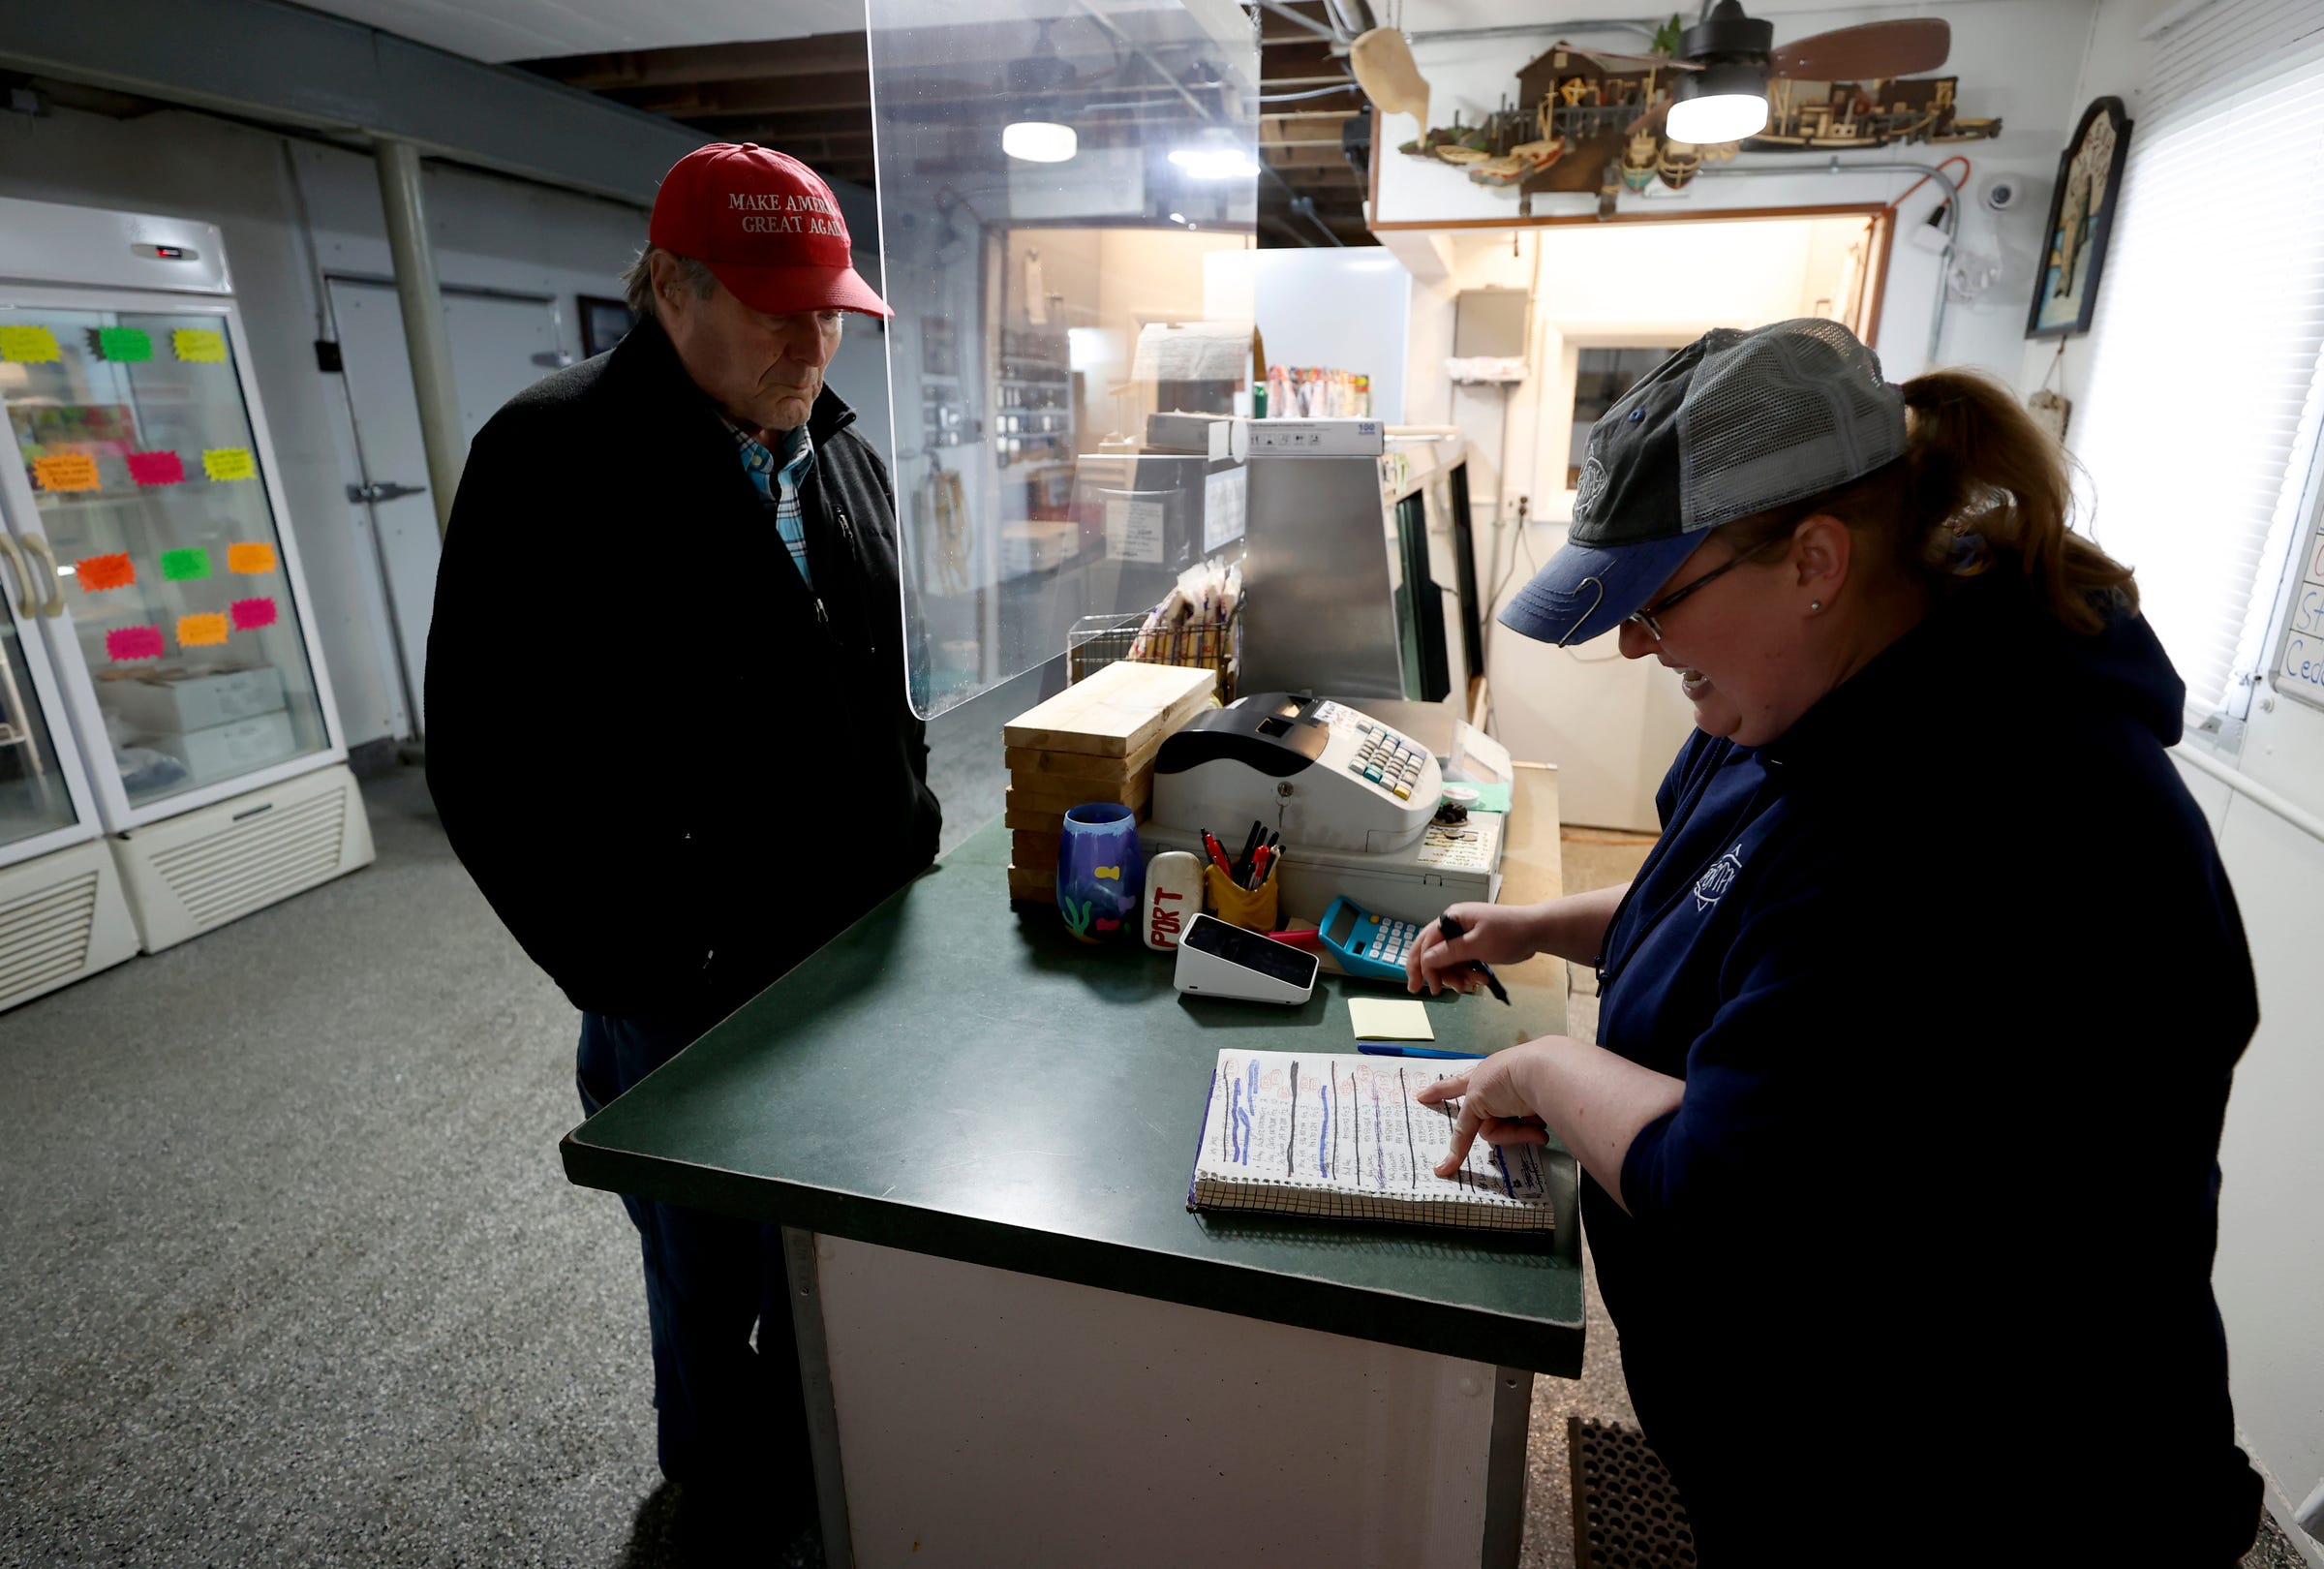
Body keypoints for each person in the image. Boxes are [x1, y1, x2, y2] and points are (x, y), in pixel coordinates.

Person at [1406, 319, 2261, 1563]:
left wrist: (1542, 1068)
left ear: (1815, 559)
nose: (1639, 642)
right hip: (1810, 1445)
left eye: (1661, 598)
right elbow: (1742, 915)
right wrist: (1554, 925)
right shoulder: (1818, 696)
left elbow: (1728, 1186)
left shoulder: (1984, 810)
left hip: (1984, 1488)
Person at [425, 143, 940, 1554]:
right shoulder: (551, 460)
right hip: (688, 983)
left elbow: (876, 679)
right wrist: (635, 963)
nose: (811, 339)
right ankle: (719, 1511)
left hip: (849, 953)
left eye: (830, 309)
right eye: (777, 307)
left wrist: (916, 828)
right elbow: (484, 762)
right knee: (712, 1277)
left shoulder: (837, 448)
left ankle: (837, 1472)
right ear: (668, 287)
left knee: (838, 1249)